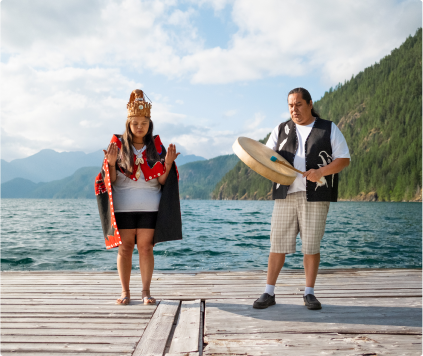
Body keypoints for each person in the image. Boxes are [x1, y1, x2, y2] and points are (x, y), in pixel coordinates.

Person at [253, 87, 350, 310]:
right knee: (276, 244)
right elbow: (267, 157)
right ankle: (269, 292)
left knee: (311, 246)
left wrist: (321, 172)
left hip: (315, 196)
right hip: (285, 195)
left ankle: (309, 293)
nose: (293, 110)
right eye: (290, 105)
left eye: (298, 104)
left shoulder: (328, 128)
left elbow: (344, 159)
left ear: (310, 104)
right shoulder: (280, 130)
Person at [95, 89, 182, 305]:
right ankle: (125, 291)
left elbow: (162, 182)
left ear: (149, 124)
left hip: (150, 208)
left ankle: (145, 291)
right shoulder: (118, 147)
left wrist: (168, 163)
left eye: (143, 122)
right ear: (128, 124)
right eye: (135, 122)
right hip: (123, 207)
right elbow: (112, 180)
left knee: (145, 248)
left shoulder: (158, 148)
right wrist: (112, 163)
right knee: (124, 248)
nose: (139, 126)